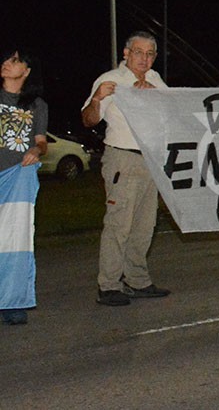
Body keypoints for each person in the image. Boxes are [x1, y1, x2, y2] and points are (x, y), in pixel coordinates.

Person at [82, 31, 171, 306]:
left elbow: (172, 113)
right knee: (119, 223)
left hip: (150, 159)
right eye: (138, 52)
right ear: (126, 53)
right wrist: (97, 99)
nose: (144, 59)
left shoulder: (156, 80)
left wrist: (155, 98)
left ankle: (137, 280)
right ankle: (108, 285)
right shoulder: (112, 80)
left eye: (149, 54)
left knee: (145, 225)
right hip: (123, 158)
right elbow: (88, 120)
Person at [0, 49, 47, 325]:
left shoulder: (36, 104)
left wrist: (36, 151)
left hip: (16, 179)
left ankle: (11, 301)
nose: (6, 63)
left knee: (13, 240)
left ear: (27, 71)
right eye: (6, 60)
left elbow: (41, 141)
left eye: (14, 61)